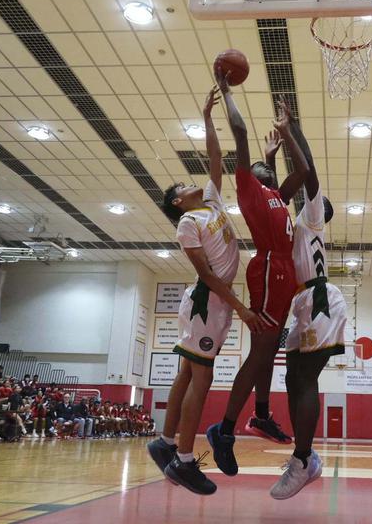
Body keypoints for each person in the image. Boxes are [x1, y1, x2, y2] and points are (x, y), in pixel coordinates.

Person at [148, 86, 260, 496]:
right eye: (181, 185)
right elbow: (209, 276)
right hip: (206, 302)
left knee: (186, 375)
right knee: (202, 378)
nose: (190, 182)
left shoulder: (210, 202)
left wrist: (209, 119)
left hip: (215, 303)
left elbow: (215, 158)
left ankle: (163, 442)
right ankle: (182, 459)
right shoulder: (186, 224)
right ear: (178, 202)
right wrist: (241, 309)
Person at [206, 67, 309, 478]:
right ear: (248, 175)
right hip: (267, 269)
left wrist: (287, 135)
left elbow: (301, 173)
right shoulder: (249, 187)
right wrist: (229, 93)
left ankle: (261, 413)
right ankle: (225, 429)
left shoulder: (275, 195)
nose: (267, 170)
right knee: (262, 351)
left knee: (269, 351)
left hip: (284, 275)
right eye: (261, 168)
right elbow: (242, 134)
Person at [264, 106, 344, 499]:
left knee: (305, 378)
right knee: (292, 378)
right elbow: (275, 193)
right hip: (303, 305)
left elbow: (308, 169)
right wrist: (269, 158)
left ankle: (303, 459)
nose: (307, 198)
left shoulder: (313, 217)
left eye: (314, 197)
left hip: (320, 299)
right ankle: (305, 457)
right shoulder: (295, 225)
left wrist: (293, 128)